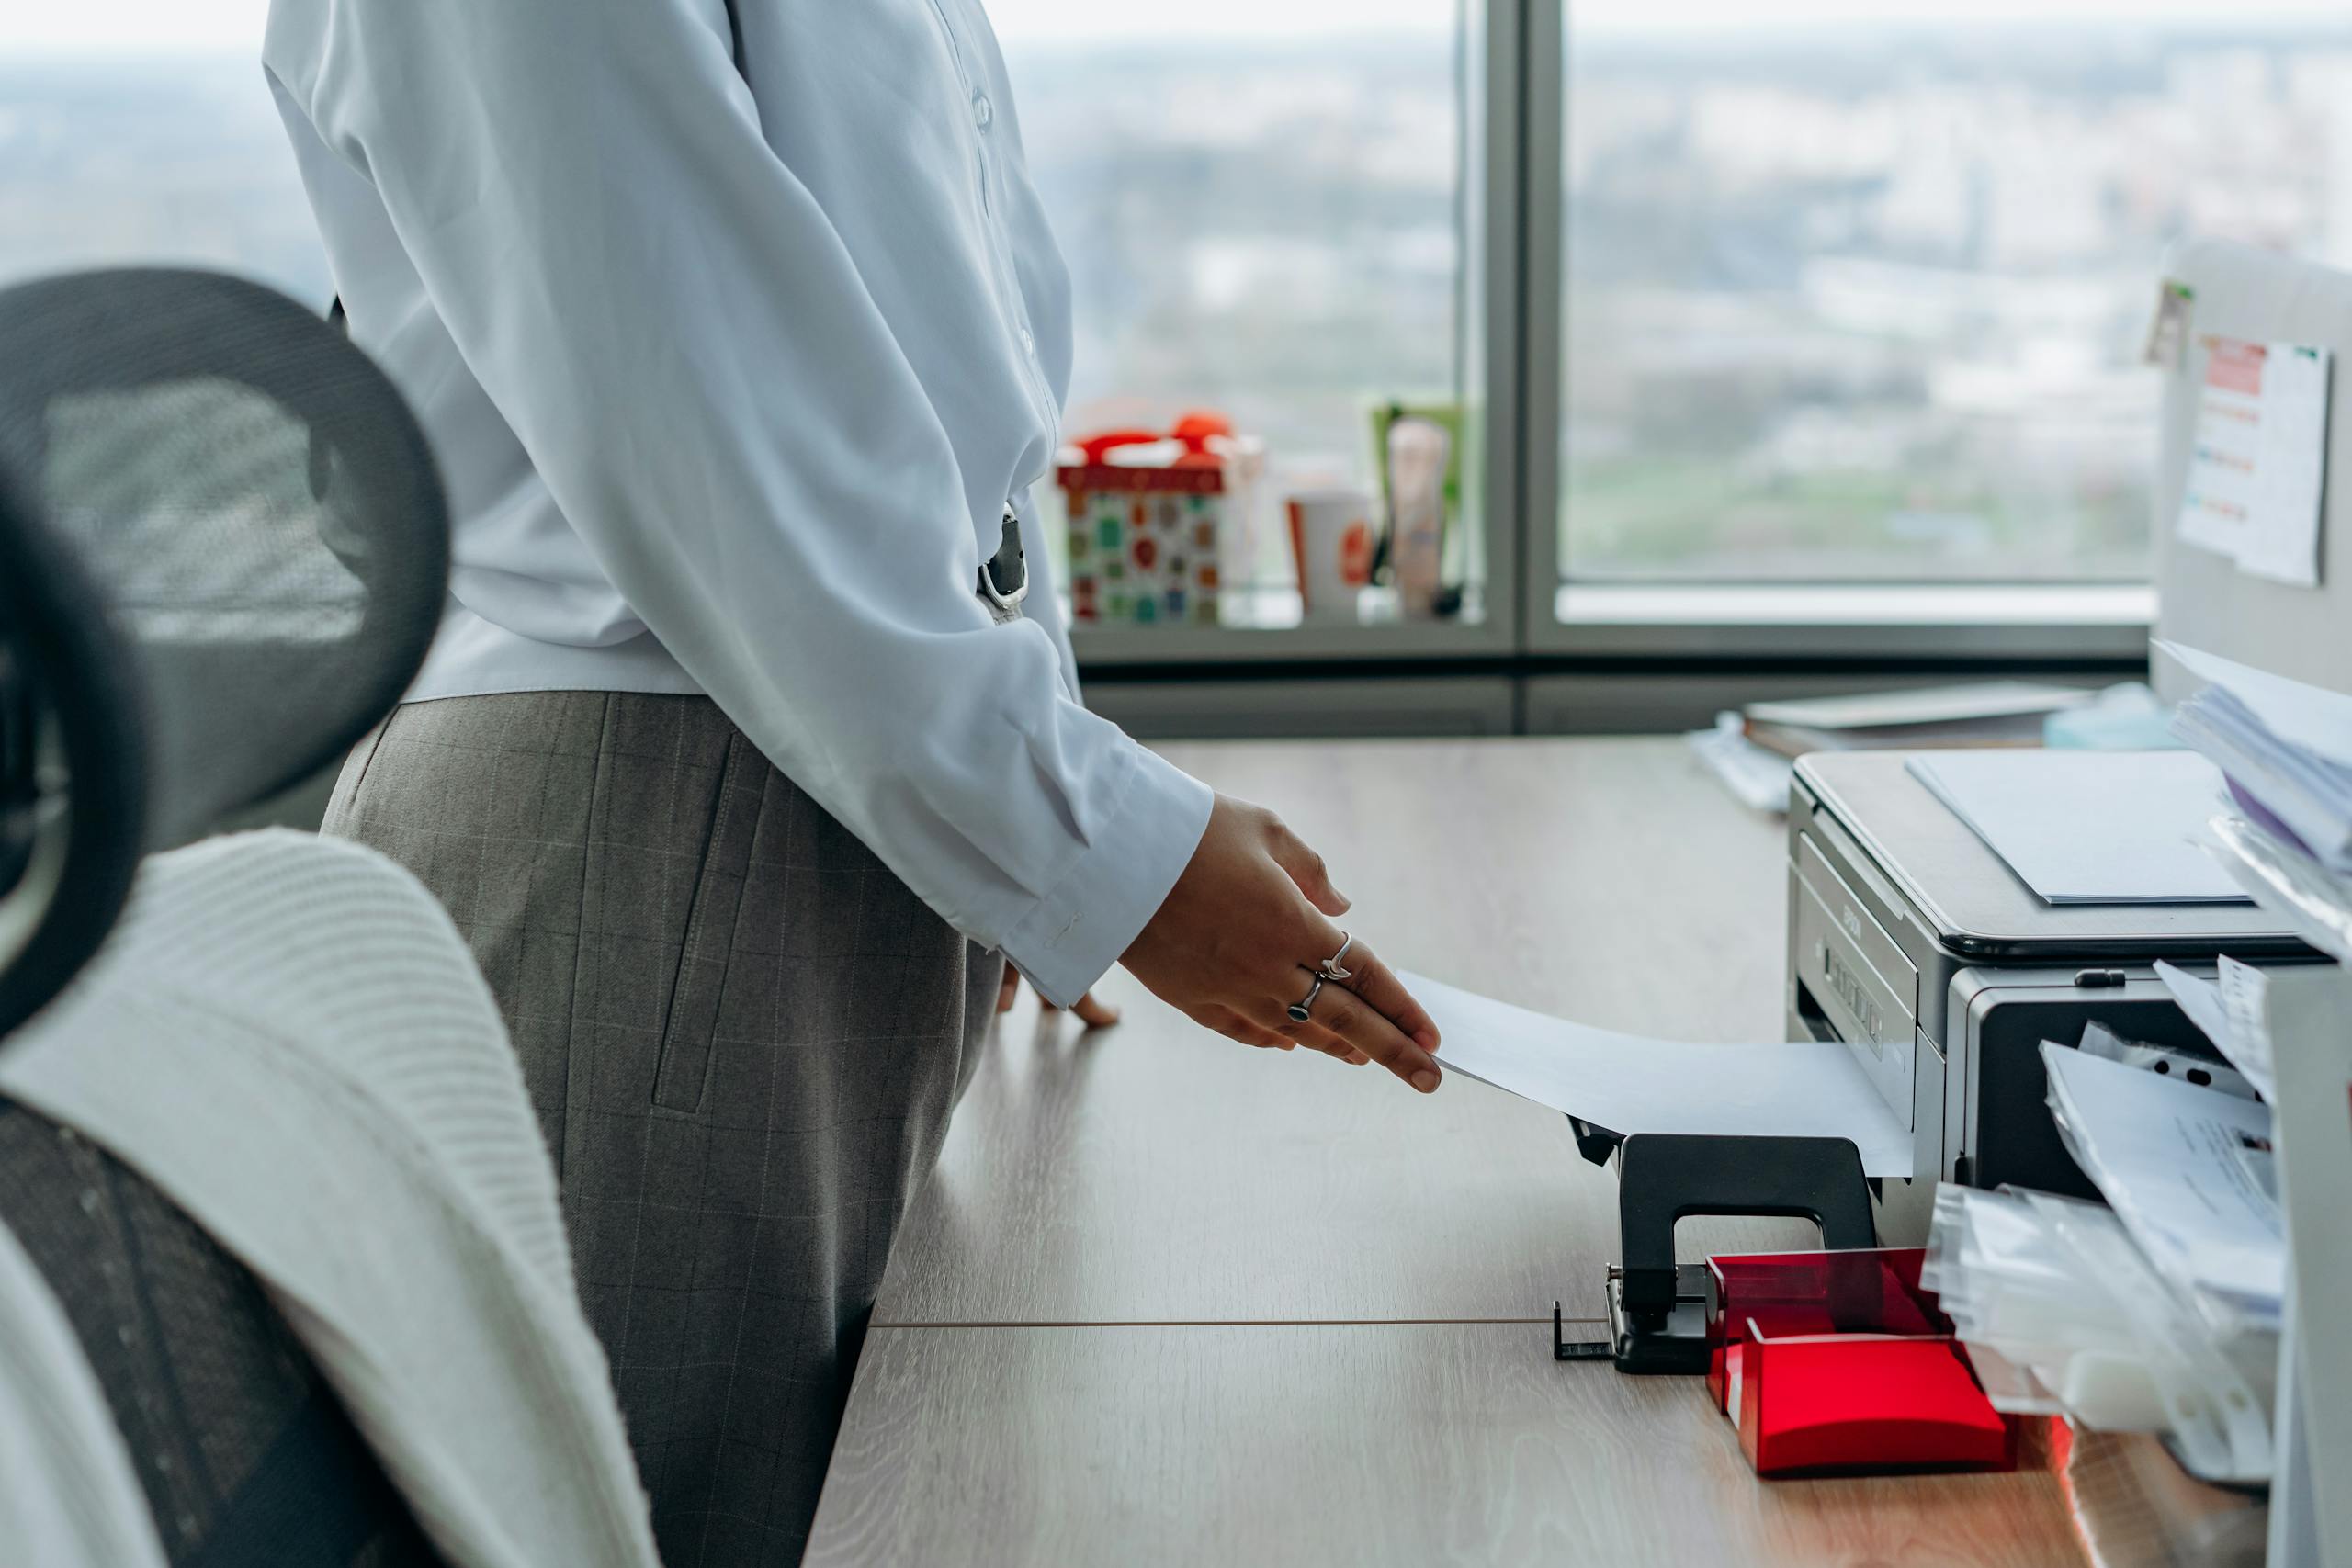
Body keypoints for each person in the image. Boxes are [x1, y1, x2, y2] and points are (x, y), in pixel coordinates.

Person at [262, 0, 1444, 1559]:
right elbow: (720, 444)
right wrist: (1082, 846)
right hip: (653, 825)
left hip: (788, 787)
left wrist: (1015, 842)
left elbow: (941, 431)